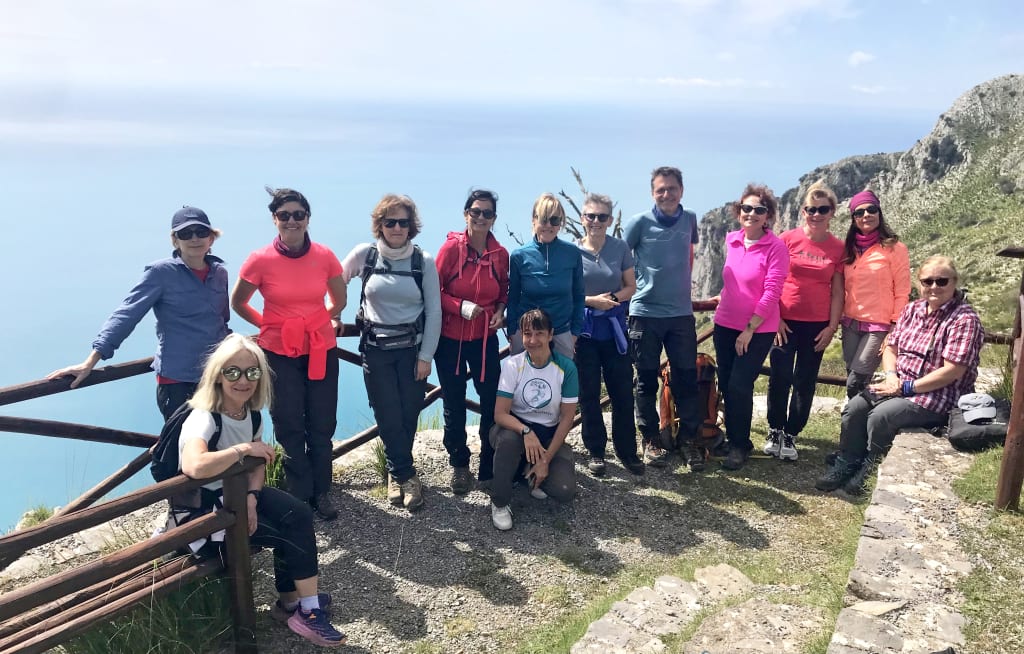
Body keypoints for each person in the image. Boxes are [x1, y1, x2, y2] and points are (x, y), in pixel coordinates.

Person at [177, 334, 346, 647]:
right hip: (205, 517)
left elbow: (257, 465)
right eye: (233, 372)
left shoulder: (250, 413)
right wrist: (242, 449)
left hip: (237, 498)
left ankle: (293, 605)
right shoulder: (204, 418)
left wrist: (252, 498)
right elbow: (195, 466)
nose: (244, 380)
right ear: (217, 376)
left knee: (297, 513)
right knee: (287, 532)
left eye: (252, 372)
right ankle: (305, 611)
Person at [816, 256, 984, 495]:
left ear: (954, 282)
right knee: (854, 408)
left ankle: (871, 464)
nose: (934, 286)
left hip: (939, 394)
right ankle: (848, 460)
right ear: (919, 284)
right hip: (900, 383)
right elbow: (891, 348)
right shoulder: (912, 310)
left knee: (882, 416)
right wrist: (891, 376)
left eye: (942, 281)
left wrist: (906, 388)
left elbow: (953, 371)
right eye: (928, 281)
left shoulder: (964, 320)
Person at [48, 207, 229, 420]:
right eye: (185, 233)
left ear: (212, 238)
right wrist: (90, 362)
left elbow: (221, 322)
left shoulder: (219, 273)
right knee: (182, 446)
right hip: (179, 380)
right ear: (175, 240)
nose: (194, 238)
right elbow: (126, 315)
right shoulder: (161, 273)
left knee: (221, 445)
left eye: (201, 232)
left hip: (218, 374)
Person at [231, 187, 346, 521]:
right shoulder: (259, 259)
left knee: (323, 423)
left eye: (299, 215)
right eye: (285, 215)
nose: (292, 221)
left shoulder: (324, 255)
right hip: (278, 351)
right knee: (289, 423)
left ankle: (322, 491)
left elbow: (338, 301)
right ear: (274, 219)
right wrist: (271, 325)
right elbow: (238, 302)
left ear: (308, 218)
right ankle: (300, 494)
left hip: (320, 348)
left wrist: (315, 321)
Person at [341, 194, 441, 512]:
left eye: (403, 222)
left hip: (412, 351)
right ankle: (405, 476)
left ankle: (397, 474)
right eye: (390, 222)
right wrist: (332, 314)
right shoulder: (364, 255)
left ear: (412, 226)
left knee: (408, 412)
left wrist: (426, 356)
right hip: (376, 350)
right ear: (380, 225)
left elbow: (435, 311)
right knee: (386, 414)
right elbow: (332, 283)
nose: (397, 228)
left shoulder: (422, 261)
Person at [623, 167, 701, 469]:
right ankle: (651, 440)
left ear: (681, 190)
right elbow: (620, 255)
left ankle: (689, 441)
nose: (666, 194)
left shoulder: (689, 219)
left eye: (671, 188)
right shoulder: (639, 223)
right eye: (660, 189)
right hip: (644, 313)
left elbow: (688, 255)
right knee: (645, 380)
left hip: (681, 313)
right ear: (652, 192)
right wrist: (630, 290)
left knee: (686, 379)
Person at [434, 189, 509, 493]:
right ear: (466, 214)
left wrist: (501, 311)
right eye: (475, 211)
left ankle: (488, 464)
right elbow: (433, 291)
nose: (480, 217)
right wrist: (459, 306)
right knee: (454, 401)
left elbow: (505, 290)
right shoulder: (451, 250)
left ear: (494, 219)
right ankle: (459, 464)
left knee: (491, 400)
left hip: (484, 339)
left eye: (487, 213)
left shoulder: (500, 255)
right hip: (451, 338)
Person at [765, 181, 845, 461]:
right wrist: (774, 318)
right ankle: (775, 429)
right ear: (803, 211)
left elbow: (838, 292)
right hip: (784, 321)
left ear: (832, 212)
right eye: (811, 208)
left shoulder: (838, 248)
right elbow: (771, 279)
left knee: (805, 381)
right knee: (779, 376)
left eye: (823, 209)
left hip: (817, 325)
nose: (816, 214)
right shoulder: (787, 239)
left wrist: (831, 327)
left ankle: (792, 433)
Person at [713, 184, 789, 471]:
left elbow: (772, 291)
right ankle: (734, 439)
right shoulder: (731, 240)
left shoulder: (776, 247)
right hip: (724, 323)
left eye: (759, 209)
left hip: (757, 329)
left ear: (767, 216)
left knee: (740, 385)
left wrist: (749, 328)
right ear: (738, 211)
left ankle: (740, 444)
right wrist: (721, 295)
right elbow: (735, 279)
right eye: (747, 208)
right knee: (728, 384)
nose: (752, 214)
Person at [489, 309, 578, 531]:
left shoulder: (566, 368)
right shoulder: (513, 365)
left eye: (539, 333)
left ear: (550, 335)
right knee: (509, 442)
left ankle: (530, 471)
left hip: (548, 435)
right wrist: (526, 432)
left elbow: (567, 418)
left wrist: (546, 459)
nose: (532, 340)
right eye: (527, 334)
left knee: (564, 490)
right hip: (514, 429)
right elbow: (500, 414)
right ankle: (500, 502)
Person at [575, 193, 644, 476]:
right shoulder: (573, 252)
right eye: (591, 216)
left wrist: (612, 298)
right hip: (587, 332)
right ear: (582, 219)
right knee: (588, 394)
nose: (596, 221)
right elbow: (571, 293)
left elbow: (631, 285)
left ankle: (627, 451)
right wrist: (593, 301)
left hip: (615, 330)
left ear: (610, 220)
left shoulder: (620, 248)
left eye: (602, 216)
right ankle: (595, 451)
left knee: (622, 393)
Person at [840, 189, 910, 398]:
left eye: (871, 209)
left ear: (879, 213)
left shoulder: (895, 248)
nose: (866, 215)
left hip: (878, 327)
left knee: (856, 381)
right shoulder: (849, 250)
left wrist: (894, 328)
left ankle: (856, 422)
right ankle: (857, 422)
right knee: (852, 376)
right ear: (853, 219)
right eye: (859, 213)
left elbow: (903, 290)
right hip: (850, 323)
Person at [506, 193, 584, 359]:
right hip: (527, 334)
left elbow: (579, 295)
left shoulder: (572, 253)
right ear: (534, 220)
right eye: (543, 219)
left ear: (561, 223)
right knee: (522, 383)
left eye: (554, 220)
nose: (548, 225)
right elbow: (512, 297)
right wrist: (513, 331)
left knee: (560, 383)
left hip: (562, 332)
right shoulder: (519, 255)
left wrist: (575, 331)